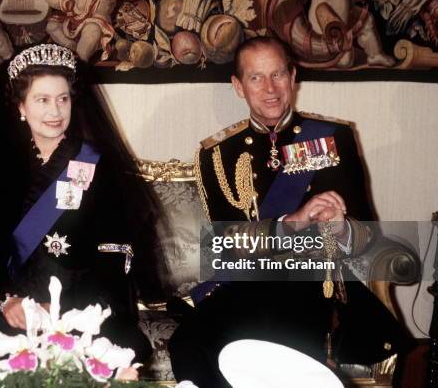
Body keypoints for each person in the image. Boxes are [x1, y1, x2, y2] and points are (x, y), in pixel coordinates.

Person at [168, 36, 414, 387]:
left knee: (273, 351)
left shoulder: (332, 138)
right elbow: (225, 243)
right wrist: (293, 223)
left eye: (278, 74)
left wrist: (343, 228)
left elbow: (368, 233)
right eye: (256, 78)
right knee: (188, 343)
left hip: (312, 283)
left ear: (293, 76)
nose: (270, 88)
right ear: (238, 86)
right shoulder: (217, 154)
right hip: (247, 284)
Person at [0, 43, 169, 385]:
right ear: (21, 106)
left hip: (87, 305)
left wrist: (65, 310)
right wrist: (9, 300)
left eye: (63, 98)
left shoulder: (98, 167)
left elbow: (116, 254)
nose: (55, 110)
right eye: (42, 99)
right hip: (14, 305)